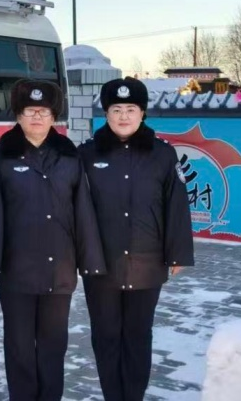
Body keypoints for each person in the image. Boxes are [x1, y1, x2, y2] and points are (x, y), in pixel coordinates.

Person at [0, 79, 105, 401]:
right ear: (18, 116)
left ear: (53, 117)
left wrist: (90, 260)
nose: (37, 117)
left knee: (53, 346)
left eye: (43, 111)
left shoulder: (69, 157)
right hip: (15, 270)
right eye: (30, 111)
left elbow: (83, 211)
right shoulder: (2, 157)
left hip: (58, 269)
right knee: (19, 347)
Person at [78, 77, 194, 401]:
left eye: (131, 109)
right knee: (105, 336)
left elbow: (176, 205)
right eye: (116, 109)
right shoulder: (87, 154)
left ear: (142, 113)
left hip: (147, 262)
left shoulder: (163, 154)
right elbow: (75, 207)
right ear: (106, 113)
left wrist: (177, 253)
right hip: (101, 264)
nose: (124, 116)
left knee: (138, 336)